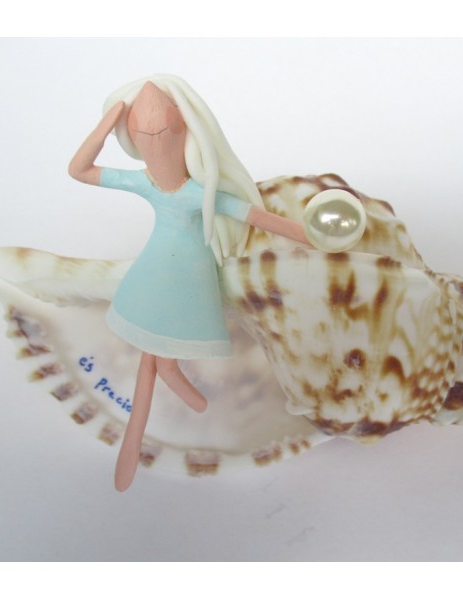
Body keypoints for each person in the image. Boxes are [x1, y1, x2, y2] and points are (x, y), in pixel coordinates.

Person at [68, 74, 308, 491]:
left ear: (186, 127)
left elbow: (258, 217)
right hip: (154, 273)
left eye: (163, 127)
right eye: (142, 131)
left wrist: (315, 235)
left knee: (156, 356)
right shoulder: (144, 181)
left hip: (189, 279)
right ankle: (143, 432)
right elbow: (78, 170)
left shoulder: (202, 193)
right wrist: (108, 122)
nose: (154, 138)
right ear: (133, 138)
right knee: (152, 357)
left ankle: (140, 431)